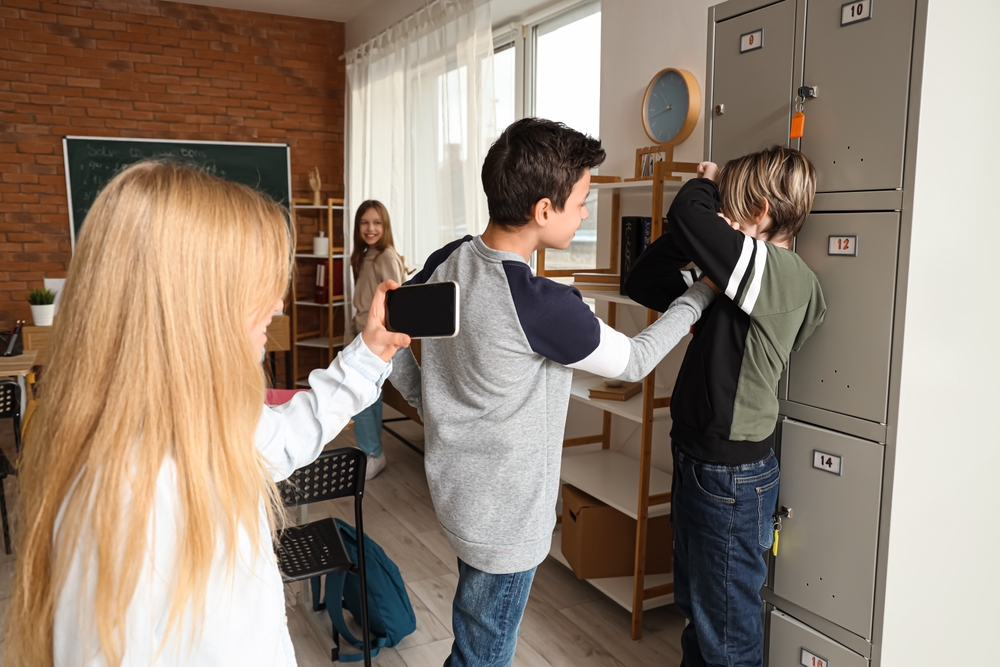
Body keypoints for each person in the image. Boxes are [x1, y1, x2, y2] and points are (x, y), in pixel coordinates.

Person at [5, 161, 410, 667]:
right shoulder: (125, 502)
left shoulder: (198, 418)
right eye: (255, 286)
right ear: (190, 304)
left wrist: (369, 353)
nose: (277, 304)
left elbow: (284, 435)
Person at [388, 117, 718, 667]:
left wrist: (429, 403)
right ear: (545, 211)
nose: (586, 213)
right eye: (583, 202)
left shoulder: (451, 258)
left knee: (473, 637)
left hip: (457, 492)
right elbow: (634, 361)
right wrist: (701, 294)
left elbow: (385, 332)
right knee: (482, 656)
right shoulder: (540, 304)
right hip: (508, 518)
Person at [625, 146, 827, 667]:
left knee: (728, 639)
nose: (723, 222)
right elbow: (642, 282)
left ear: (759, 211)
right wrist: (692, 237)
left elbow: (687, 213)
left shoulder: (778, 273)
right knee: (699, 613)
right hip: (699, 462)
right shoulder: (734, 278)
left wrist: (708, 183)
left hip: (730, 478)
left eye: (733, 209)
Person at [348, 200, 407, 479]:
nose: (370, 228)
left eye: (376, 223)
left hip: (375, 340)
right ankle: (371, 452)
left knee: (362, 396)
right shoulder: (364, 256)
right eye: (364, 223)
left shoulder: (385, 256)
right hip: (359, 335)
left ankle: (373, 454)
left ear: (385, 226)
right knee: (365, 398)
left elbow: (398, 302)